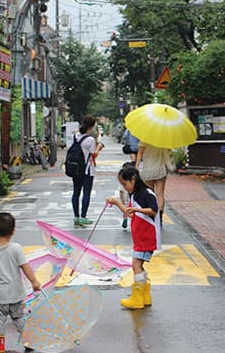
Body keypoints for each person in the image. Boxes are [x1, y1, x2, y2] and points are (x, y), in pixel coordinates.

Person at [0, 212, 41, 353]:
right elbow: (25, 266)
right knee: (18, 317)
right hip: (16, 294)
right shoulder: (16, 248)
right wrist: (34, 282)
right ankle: (28, 341)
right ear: (13, 231)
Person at [106, 164, 160, 309]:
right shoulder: (135, 194)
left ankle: (137, 298)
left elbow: (154, 210)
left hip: (146, 236)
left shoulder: (146, 193)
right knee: (139, 265)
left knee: (136, 264)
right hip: (140, 236)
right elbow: (129, 212)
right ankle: (144, 296)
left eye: (125, 184)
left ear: (133, 179)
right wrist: (116, 202)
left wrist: (137, 209)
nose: (125, 187)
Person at [71, 115, 104, 226]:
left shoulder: (75, 136)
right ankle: (83, 216)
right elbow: (94, 155)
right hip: (87, 170)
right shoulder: (90, 140)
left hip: (75, 169)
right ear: (91, 126)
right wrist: (99, 146)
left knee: (76, 192)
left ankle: (76, 217)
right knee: (86, 193)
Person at [135, 142, 173, 225]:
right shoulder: (163, 139)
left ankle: (151, 215)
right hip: (160, 169)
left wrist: (136, 166)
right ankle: (159, 217)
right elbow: (169, 153)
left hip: (148, 170)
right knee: (160, 194)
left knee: (150, 193)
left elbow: (140, 152)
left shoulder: (145, 139)